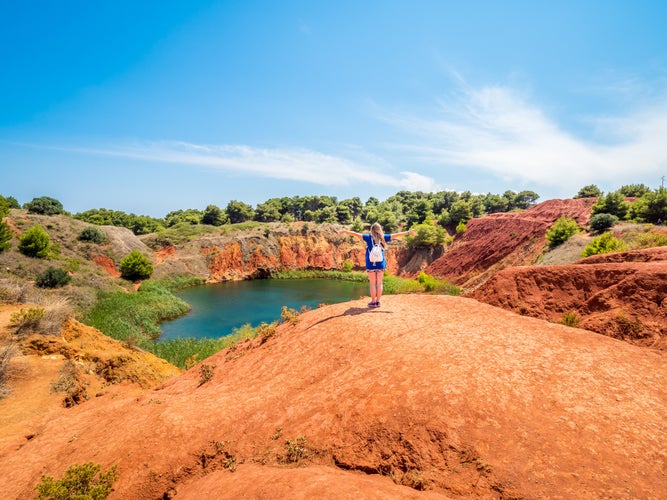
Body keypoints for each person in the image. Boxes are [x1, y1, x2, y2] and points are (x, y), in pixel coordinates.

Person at [339, 223, 415, 308]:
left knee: (372, 283)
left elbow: (355, 234)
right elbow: (397, 235)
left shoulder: (368, 237)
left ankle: (373, 301)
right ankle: (378, 302)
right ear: (380, 229)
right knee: (379, 283)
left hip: (371, 264)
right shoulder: (384, 237)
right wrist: (409, 232)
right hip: (380, 263)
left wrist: (345, 231)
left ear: (371, 230)